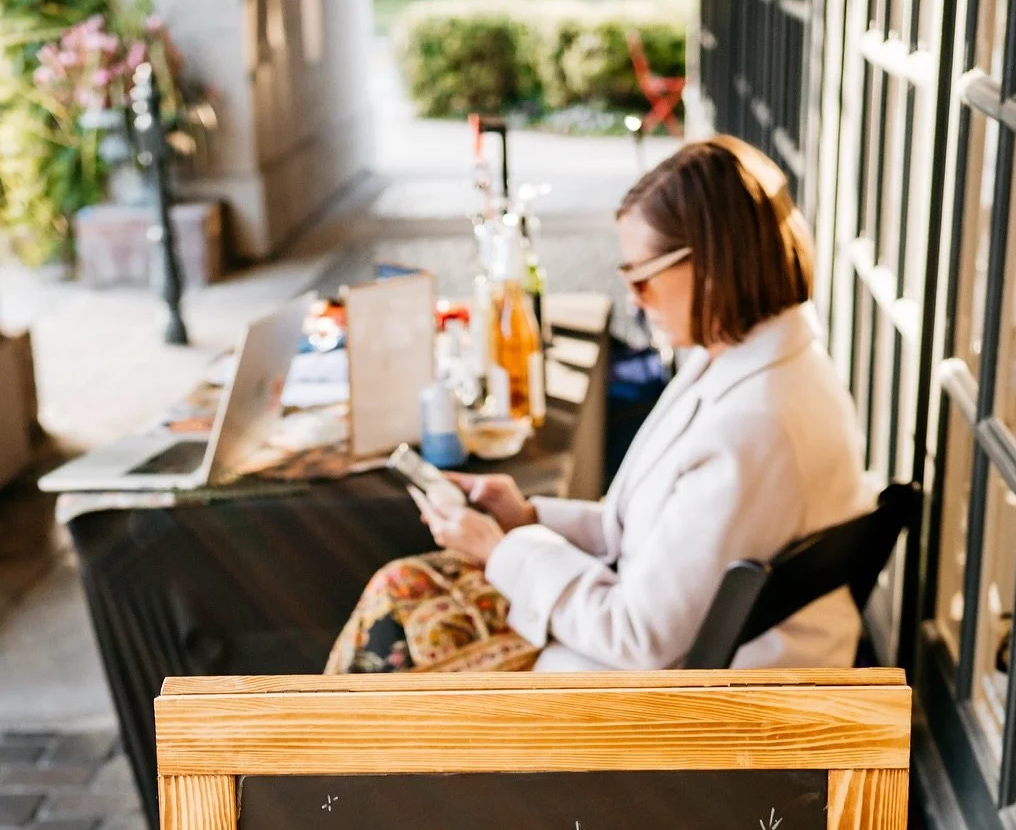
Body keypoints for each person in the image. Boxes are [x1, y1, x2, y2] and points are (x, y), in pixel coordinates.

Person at [328, 135, 875, 676]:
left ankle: (327, 735)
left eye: (641, 277)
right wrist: (528, 517)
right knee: (398, 596)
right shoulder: (747, 361)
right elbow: (651, 533)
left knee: (392, 621)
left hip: (682, 692)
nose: (633, 298)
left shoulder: (754, 423)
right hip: (671, 644)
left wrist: (501, 551)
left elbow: (637, 636)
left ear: (712, 263)